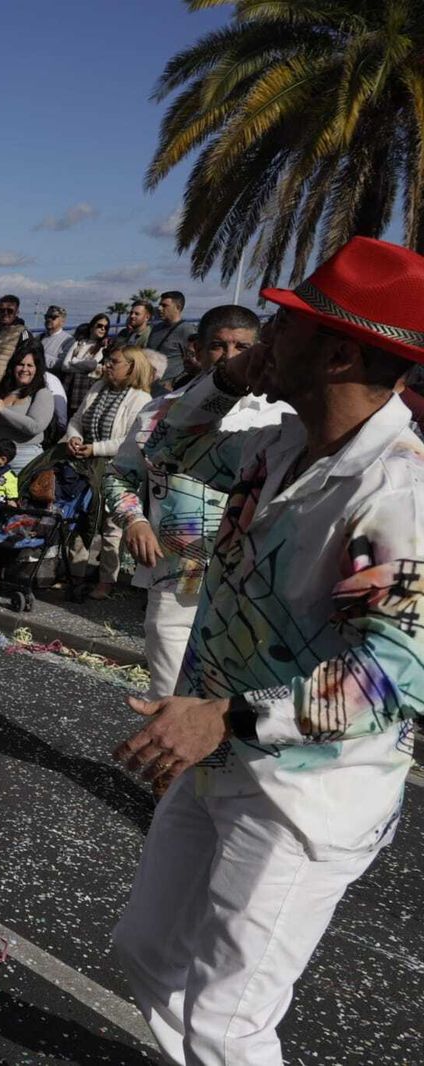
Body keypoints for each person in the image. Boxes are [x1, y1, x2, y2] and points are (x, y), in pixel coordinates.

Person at [110, 236, 424, 1066]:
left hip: (303, 795)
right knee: (147, 953)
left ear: (337, 351)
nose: (259, 342)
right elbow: (165, 454)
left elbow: (395, 673)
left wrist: (225, 718)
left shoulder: (396, 488)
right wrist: (220, 382)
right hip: (218, 760)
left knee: (227, 1022)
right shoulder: (278, 446)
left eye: (283, 326)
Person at [104, 306, 287, 701]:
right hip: (176, 578)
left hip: (249, 582)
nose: (230, 355)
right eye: (219, 346)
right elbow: (119, 475)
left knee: (231, 699)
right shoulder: (160, 412)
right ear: (198, 351)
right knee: (169, 692)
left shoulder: (280, 418)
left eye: (242, 346)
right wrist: (135, 521)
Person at [65, 345, 156, 598]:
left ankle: (107, 581)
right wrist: (74, 437)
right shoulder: (97, 388)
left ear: (131, 368)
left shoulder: (141, 399)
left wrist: (95, 448)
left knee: (111, 527)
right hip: (86, 465)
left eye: (114, 362)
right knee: (81, 520)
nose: (107, 365)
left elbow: (132, 439)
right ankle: (76, 574)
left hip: (116, 467)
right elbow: (76, 420)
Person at [0, 342, 55, 473]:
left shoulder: (42, 393)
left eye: (30, 365)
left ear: (37, 369)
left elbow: (35, 427)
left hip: (25, 460)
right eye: (20, 364)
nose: (24, 369)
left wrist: (3, 411)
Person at [145, 291, 194, 384]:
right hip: (150, 382)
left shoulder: (186, 330)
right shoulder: (156, 328)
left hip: (168, 386)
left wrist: (175, 383)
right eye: (160, 305)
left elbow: (192, 361)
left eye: (164, 305)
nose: (159, 308)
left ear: (178, 307)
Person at [0, 294, 31, 385]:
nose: (5, 313)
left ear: (17, 312)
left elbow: (22, 362)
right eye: (2, 310)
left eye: (10, 311)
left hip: (5, 384)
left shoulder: (22, 333)